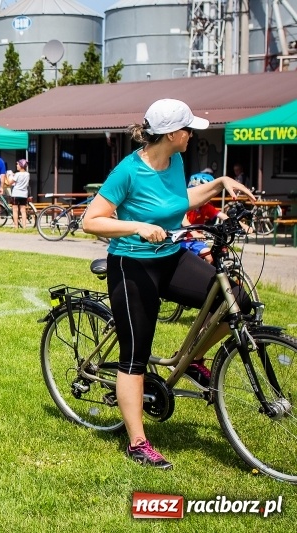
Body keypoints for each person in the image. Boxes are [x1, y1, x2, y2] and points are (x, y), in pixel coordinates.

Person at [83, 98, 255, 470]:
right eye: (188, 129)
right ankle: (137, 443)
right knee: (135, 357)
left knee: (235, 299)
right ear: (173, 134)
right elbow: (91, 220)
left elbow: (178, 200)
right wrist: (137, 226)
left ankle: (191, 360)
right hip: (132, 265)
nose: (192, 135)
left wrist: (220, 184)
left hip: (169, 257)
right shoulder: (127, 171)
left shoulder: (175, 160)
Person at [8, 159, 31, 229]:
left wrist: (10, 176)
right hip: (24, 194)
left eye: (17, 164)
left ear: (21, 166)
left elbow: (10, 183)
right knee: (23, 210)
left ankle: (16, 226)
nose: (16, 166)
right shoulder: (28, 174)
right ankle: (24, 226)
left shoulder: (17, 174)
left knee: (15, 210)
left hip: (16, 193)